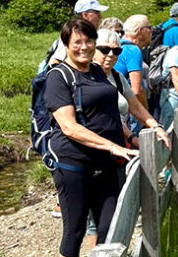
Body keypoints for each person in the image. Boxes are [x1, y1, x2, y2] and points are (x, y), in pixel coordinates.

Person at [43, 19, 137, 257]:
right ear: (66, 44)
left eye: (89, 41)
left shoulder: (96, 71)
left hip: (104, 163)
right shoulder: (58, 77)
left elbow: (112, 112)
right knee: (74, 230)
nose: (84, 47)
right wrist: (113, 147)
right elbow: (70, 128)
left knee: (109, 227)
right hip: (73, 164)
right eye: (77, 42)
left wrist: (137, 134)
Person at [85, 29, 170, 247]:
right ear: (93, 49)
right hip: (90, 155)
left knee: (113, 213)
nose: (111, 55)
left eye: (116, 50)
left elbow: (134, 107)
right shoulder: (84, 77)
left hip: (117, 153)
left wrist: (154, 126)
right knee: (94, 223)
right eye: (105, 50)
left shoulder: (116, 77)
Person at [44, 0, 109, 70]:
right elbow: (54, 63)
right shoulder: (72, 36)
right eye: (97, 12)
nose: (100, 17)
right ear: (85, 15)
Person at [114, 15, 152, 139]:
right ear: (140, 31)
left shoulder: (118, 47)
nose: (151, 31)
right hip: (125, 111)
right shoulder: (132, 50)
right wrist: (146, 117)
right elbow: (136, 91)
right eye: (149, 28)